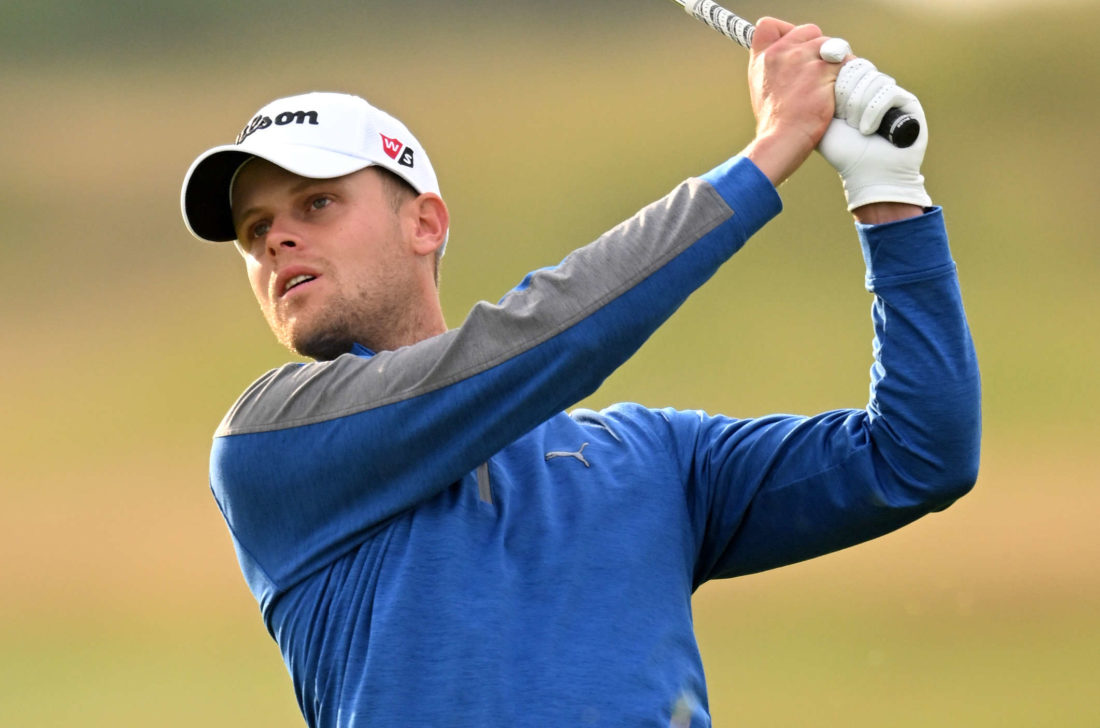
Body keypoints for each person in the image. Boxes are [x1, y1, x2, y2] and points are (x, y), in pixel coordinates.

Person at [180, 18, 980, 728]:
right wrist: (771, 151)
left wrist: (888, 193)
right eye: (255, 230)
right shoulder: (272, 444)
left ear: (424, 222)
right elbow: (548, 337)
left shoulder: (655, 462)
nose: (276, 241)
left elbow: (917, 457)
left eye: (315, 204)